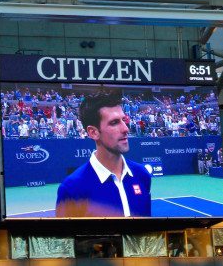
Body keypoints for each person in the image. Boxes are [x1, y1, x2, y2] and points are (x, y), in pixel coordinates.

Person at [56, 90, 152, 218]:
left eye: (124, 120)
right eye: (114, 123)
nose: (125, 129)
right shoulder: (72, 188)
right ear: (93, 132)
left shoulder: (142, 175)